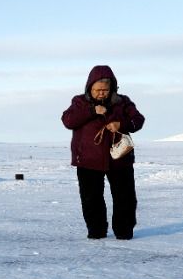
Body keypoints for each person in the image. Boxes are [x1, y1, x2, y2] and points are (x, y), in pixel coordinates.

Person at [61, 65, 145, 240]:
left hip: (119, 159)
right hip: (88, 160)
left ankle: (124, 232)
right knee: (91, 199)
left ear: (112, 88)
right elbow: (68, 121)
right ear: (89, 87)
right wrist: (92, 111)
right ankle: (96, 232)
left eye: (105, 90)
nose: (101, 93)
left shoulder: (123, 102)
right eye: (97, 90)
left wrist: (120, 124)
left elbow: (138, 120)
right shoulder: (80, 102)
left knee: (125, 198)